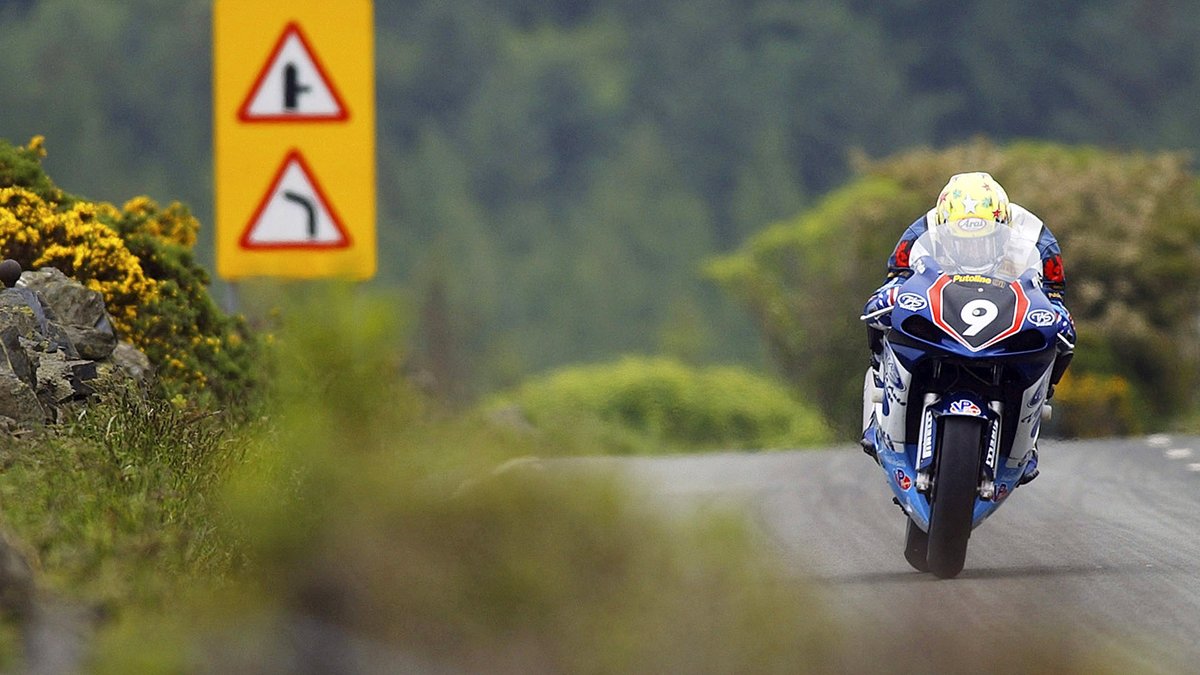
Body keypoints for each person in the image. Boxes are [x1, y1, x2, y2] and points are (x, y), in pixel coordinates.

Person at [859, 172, 1075, 481]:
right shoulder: (922, 230)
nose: (973, 251)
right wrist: (890, 297)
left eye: (984, 241)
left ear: (1004, 226)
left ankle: (1033, 415)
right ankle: (882, 392)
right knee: (881, 314)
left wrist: (1053, 314)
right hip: (946, 311)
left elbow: (1053, 293)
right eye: (962, 242)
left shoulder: (1038, 239)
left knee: (1064, 335)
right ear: (945, 226)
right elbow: (897, 277)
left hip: (1003, 317)